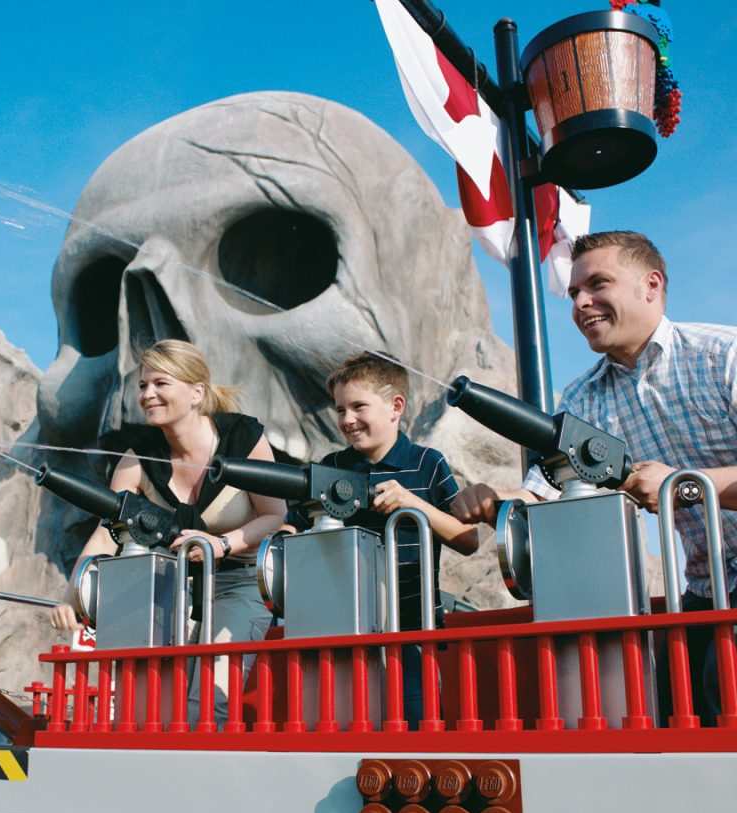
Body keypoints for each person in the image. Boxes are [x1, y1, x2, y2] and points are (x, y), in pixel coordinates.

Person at [452, 230, 737, 726]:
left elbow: (684, 484)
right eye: (574, 295)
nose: (581, 303)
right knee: (659, 705)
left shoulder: (724, 356)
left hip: (715, 599)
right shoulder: (583, 398)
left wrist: (685, 484)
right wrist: (497, 501)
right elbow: (545, 493)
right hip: (704, 589)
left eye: (597, 285)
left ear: (651, 285)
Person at [50, 339, 286, 725]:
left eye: (160, 383)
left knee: (207, 705)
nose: (148, 394)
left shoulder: (242, 438)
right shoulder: (139, 457)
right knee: (147, 708)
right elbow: (107, 533)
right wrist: (74, 593)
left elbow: (275, 516)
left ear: (196, 393)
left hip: (238, 582)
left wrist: (222, 544)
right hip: (166, 588)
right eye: (143, 386)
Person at [285, 352, 478, 727]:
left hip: (412, 630)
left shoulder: (428, 462)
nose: (347, 420)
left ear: (395, 407)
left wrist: (413, 504)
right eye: (340, 410)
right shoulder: (332, 467)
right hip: (343, 631)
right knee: (344, 727)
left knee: (415, 727)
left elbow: (468, 539)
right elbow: (292, 526)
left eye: (358, 406)